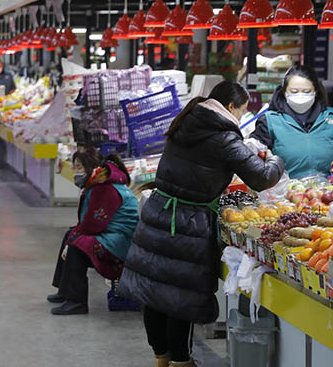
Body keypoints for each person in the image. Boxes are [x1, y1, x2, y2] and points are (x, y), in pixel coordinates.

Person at [118, 81, 285, 367]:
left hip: (158, 211)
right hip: (188, 221)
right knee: (179, 295)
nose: (241, 118)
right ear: (231, 107)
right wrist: (274, 158)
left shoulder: (187, 121)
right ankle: (182, 361)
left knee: (154, 289)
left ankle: (161, 357)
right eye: (242, 111)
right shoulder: (223, 137)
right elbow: (261, 177)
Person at [49, 150, 138, 315]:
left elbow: (92, 224)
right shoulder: (100, 183)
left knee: (76, 246)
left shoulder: (105, 188)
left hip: (121, 243)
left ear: (91, 167)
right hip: (111, 235)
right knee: (70, 236)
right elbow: (88, 223)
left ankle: (77, 302)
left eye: (79, 168)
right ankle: (65, 291)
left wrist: (71, 243)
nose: (76, 172)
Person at [250, 64, 333, 179]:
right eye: (294, 91)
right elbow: (255, 160)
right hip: (284, 193)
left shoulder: (330, 118)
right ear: (285, 92)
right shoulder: (269, 121)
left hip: (326, 192)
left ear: (315, 92)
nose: (300, 96)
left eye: (306, 91)